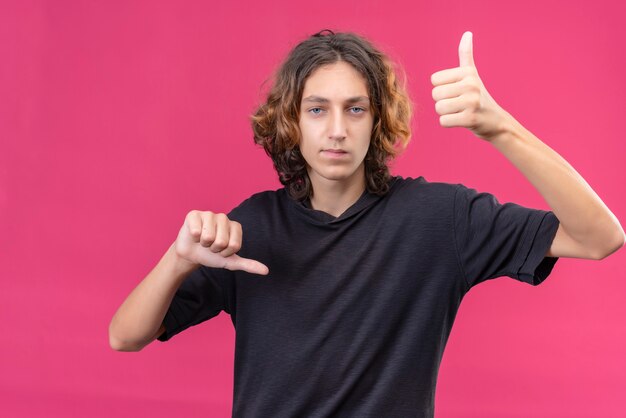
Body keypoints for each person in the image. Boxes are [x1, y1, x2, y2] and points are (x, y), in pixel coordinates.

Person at [109, 30, 624, 417]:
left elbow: (600, 238)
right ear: (291, 120)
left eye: (355, 109)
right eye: (317, 110)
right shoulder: (252, 228)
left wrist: (500, 128)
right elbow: (125, 337)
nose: (337, 130)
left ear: (377, 120)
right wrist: (177, 259)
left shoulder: (439, 218)